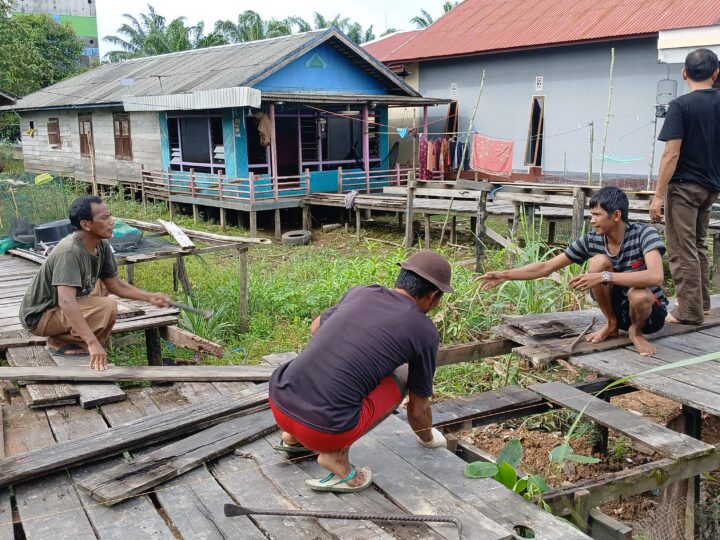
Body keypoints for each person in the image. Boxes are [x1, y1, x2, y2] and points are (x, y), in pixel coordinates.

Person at [268, 250, 452, 492]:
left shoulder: (363, 291)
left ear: (402, 277)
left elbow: (315, 328)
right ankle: (336, 459)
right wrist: (429, 440)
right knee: (404, 374)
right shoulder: (423, 330)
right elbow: (417, 409)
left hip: (279, 402)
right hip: (324, 431)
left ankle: (291, 438)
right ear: (432, 296)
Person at [478, 187, 667, 356]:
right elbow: (546, 267)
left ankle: (636, 331)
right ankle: (611, 324)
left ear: (616, 215)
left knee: (638, 294)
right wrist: (504, 275)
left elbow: (656, 277)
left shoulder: (644, 234)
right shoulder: (592, 240)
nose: (592, 221)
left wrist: (603, 276)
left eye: (597, 215)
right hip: (620, 310)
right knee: (598, 261)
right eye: (591, 215)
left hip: (649, 313)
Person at [19, 195, 171, 370]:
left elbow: (115, 284)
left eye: (110, 216)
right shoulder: (70, 251)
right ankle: (64, 343)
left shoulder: (101, 245)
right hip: (39, 316)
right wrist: (92, 342)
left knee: (102, 287)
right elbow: (66, 301)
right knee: (107, 306)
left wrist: (150, 297)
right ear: (86, 224)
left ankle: (64, 340)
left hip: (60, 308)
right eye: (105, 218)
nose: (112, 221)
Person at [650, 48, 720, 325]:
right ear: (716, 74)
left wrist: (657, 196)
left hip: (684, 186)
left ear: (684, 73)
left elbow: (671, 153)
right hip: (711, 187)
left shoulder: (681, 105)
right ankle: (701, 304)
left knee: (681, 248)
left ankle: (689, 312)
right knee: (698, 245)